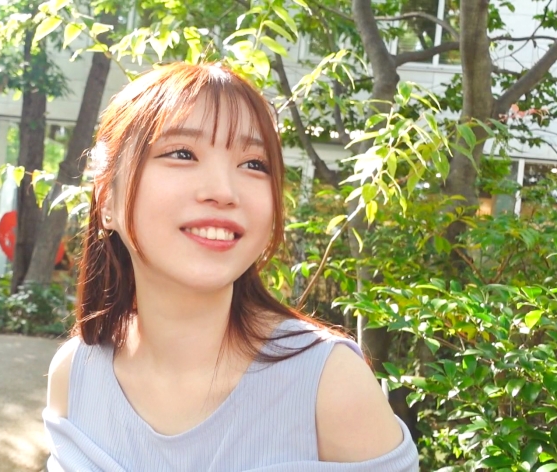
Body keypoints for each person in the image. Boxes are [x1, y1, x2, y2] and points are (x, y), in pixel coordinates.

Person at [43, 62, 419, 471]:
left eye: (254, 164)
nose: (224, 191)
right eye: (182, 154)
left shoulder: (330, 383)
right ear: (106, 200)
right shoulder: (76, 376)